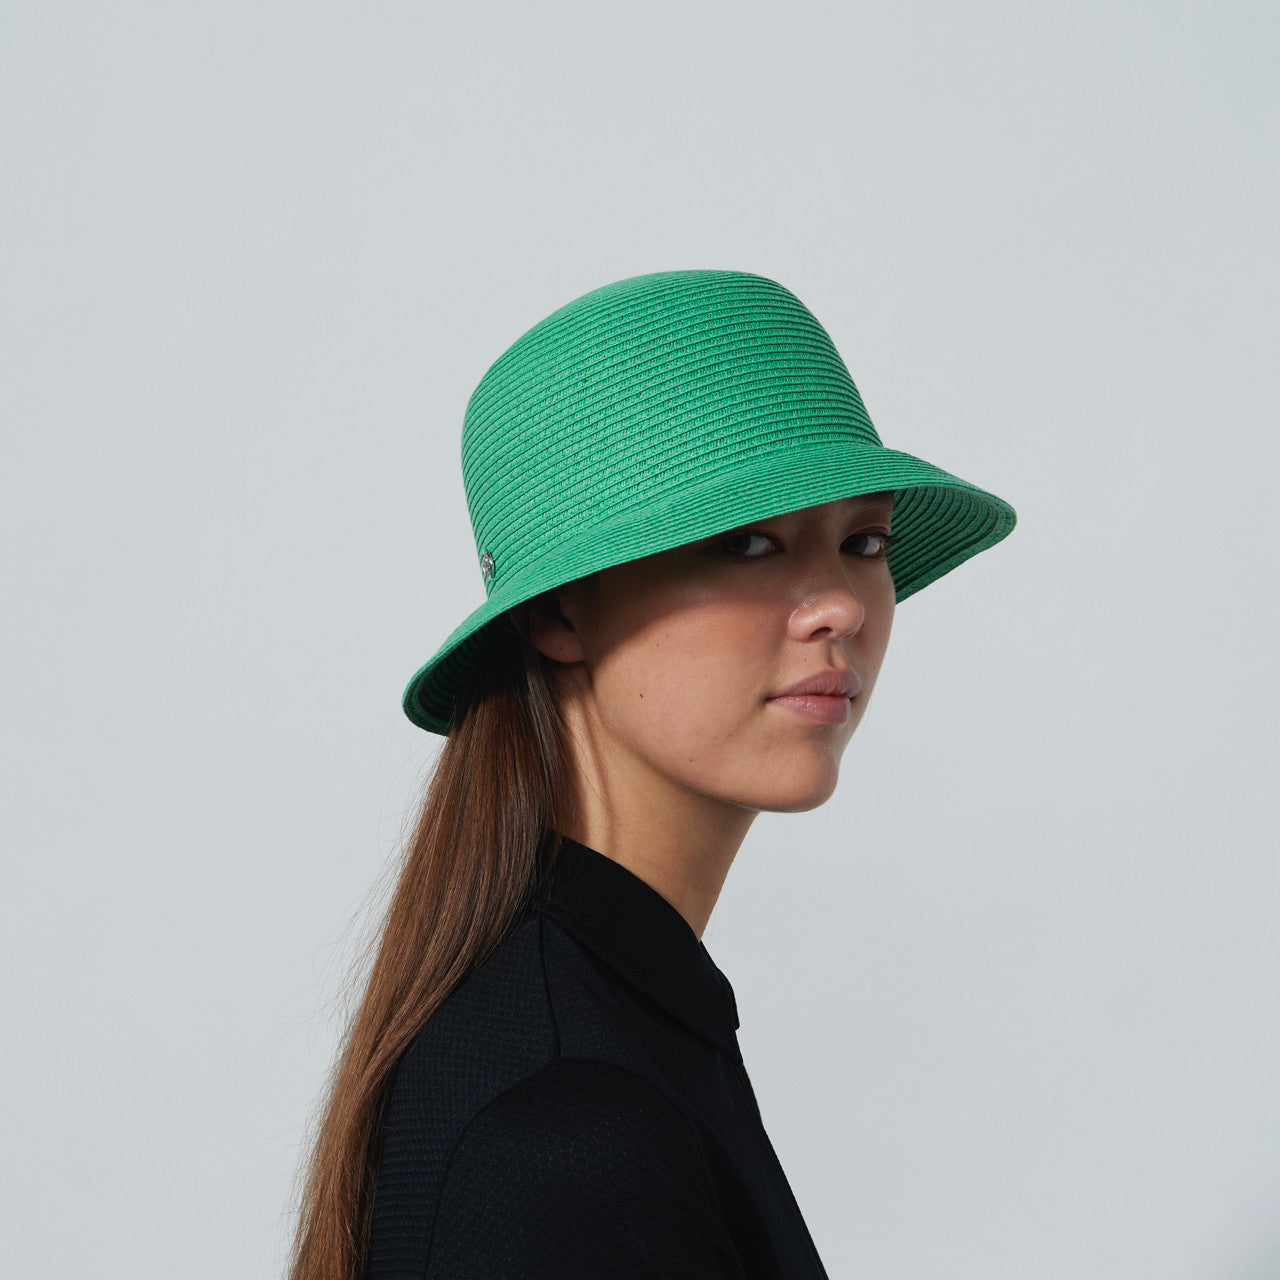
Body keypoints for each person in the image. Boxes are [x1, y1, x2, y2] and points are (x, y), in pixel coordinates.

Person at [284, 269, 1017, 1279]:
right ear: (557, 612)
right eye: (748, 541)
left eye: (863, 540)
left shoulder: (600, 1027)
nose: (842, 606)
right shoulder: (567, 1127)